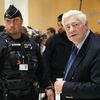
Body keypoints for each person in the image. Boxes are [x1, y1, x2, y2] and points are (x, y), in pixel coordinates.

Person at [0, 5, 45, 100]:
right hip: (6, 94)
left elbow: (41, 69)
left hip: (30, 94)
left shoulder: (31, 43)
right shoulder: (1, 42)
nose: (12, 24)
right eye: (8, 21)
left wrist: (47, 87)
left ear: (22, 21)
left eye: (15, 20)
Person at [54, 10, 100, 100]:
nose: (71, 30)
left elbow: (98, 88)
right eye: (67, 27)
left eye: (75, 25)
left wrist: (65, 87)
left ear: (86, 25)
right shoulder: (77, 43)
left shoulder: (97, 47)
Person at [42, 13, 72, 100]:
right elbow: (45, 62)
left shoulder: (74, 40)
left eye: (62, 25)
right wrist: (48, 84)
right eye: (58, 25)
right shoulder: (52, 40)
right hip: (55, 82)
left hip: (71, 83)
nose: (59, 28)